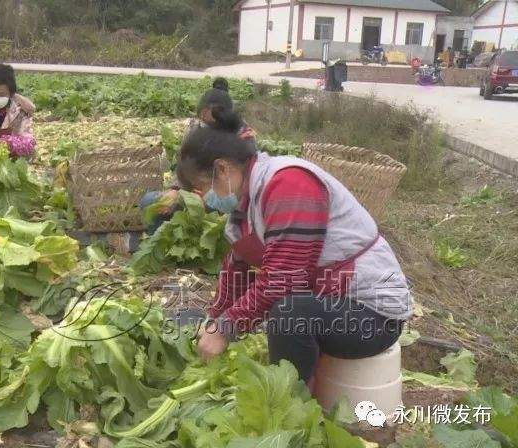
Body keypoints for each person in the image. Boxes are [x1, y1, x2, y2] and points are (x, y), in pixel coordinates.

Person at [177, 108, 412, 384]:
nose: (205, 198)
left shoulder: (289, 183)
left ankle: (290, 406)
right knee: (286, 310)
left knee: (290, 312)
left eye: (204, 186)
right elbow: (236, 268)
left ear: (223, 168)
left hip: (372, 315)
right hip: (330, 301)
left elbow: (283, 279)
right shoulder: (247, 204)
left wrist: (225, 329)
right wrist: (214, 319)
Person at [139, 78, 255, 233]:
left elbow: (240, 187)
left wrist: (207, 198)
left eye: (211, 117)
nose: (205, 121)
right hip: (195, 191)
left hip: (226, 197)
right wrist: (175, 190)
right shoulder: (197, 129)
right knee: (151, 202)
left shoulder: (244, 137)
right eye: (203, 117)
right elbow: (186, 165)